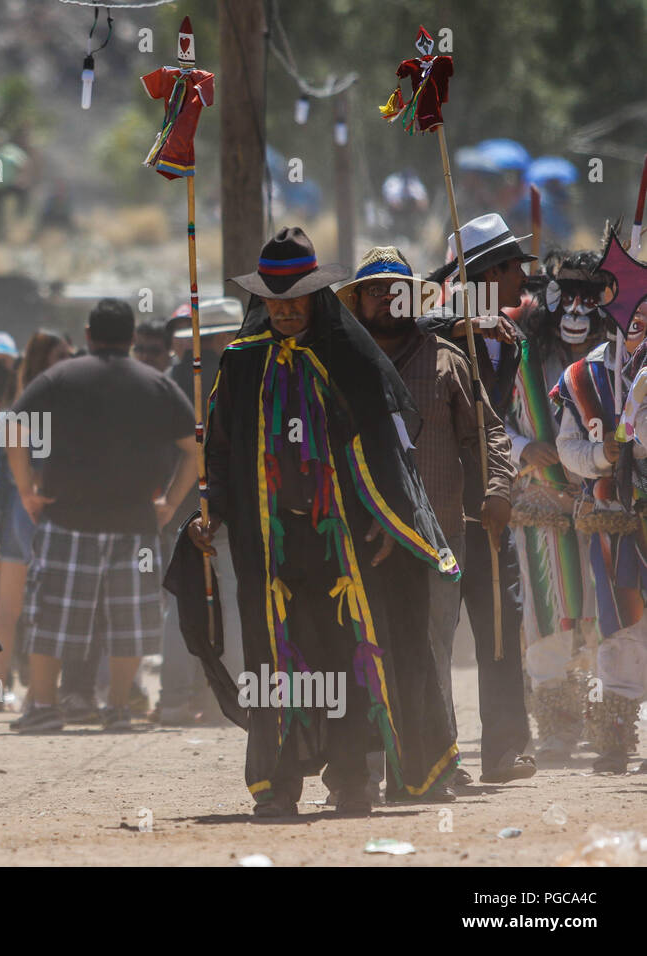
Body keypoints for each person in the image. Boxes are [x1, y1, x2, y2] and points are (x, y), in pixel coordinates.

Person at [169, 227, 461, 817]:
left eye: (297, 296)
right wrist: (210, 513)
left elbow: (386, 449)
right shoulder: (240, 362)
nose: (285, 309)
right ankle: (278, 786)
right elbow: (220, 453)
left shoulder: (350, 358)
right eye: (274, 298)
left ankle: (353, 778)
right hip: (268, 547)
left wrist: (386, 518)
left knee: (350, 655)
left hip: (346, 544)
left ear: (317, 297)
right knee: (277, 663)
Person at [340, 245, 524, 794]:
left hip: (437, 534)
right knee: (365, 646)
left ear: (414, 298)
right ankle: (368, 766)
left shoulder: (448, 358)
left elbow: (488, 431)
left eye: (396, 289)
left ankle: (435, 765)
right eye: (374, 290)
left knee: (432, 647)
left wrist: (496, 490)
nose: (386, 299)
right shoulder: (343, 363)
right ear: (360, 300)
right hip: (360, 535)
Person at [8, 298, 200, 733]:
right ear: (133, 338)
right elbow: (194, 449)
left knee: (53, 616)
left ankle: (42, 707)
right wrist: (170, 502)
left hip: (66, 518)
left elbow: (14, 429)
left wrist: (26, 491)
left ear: (89, 336)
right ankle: (116, 709)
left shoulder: (60, 377)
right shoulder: (156, 384)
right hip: (135, 523)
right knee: (129, 619)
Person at [421, 214, 550, 783]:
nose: (524, 279)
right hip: (437, 502)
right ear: (487, 272)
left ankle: (504, 748)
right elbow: (401, 319)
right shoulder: (426, 316)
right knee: (435, 629)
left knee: (501, 621)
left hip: (492, 500)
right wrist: (464, 323)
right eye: (514, 268)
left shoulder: (511, 333)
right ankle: (438, 754)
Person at [506, 249, 611, 761]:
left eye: (587, 301)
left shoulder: (617, 359)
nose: (576, 312)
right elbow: (490, 421)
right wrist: (525, 447)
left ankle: (601, 716)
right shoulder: (520, 355)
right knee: (547, 615)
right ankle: (555, 726)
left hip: (606, 509)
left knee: (603, 612)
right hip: (541, 505)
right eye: (567, 299)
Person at [554, 304, 647, 772]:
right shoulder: (583, 376)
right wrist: (602, 455)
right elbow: (566, 449)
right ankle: (613, 737)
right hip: (610, 519)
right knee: (617, 627)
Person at [155, 298, 245, 726]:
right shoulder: (240, 375)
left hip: (177, 513)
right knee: (230, 602)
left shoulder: (169, 379)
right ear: (223, 337)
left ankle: (173, 700)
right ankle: (226, 701)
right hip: (222, 513)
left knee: (181, 601)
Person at [0, 329, 73, 711]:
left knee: (11, 609)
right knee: (40, 608)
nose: (70, 361)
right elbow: (11, 476)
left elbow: (3, 479)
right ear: (45, 361)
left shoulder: (17, 407)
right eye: (62, 355)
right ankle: (37, 693)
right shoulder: (57, 408)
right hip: (45, 513)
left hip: (18, 516)